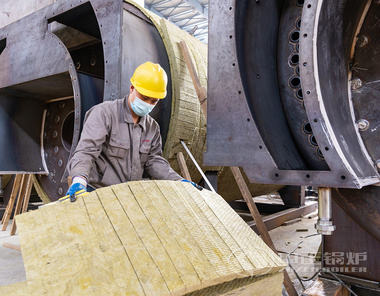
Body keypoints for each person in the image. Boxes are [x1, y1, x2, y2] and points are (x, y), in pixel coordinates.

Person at [66, 61, 185, 196]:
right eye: (144, 98)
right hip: (98, 193)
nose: (148, 104)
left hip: (129, 196)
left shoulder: (152, 128)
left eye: (154, 101)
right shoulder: (104, 113)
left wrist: (179, 182)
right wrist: (79, 180)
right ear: (132, 88)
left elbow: (154, 161)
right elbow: (87, 150)